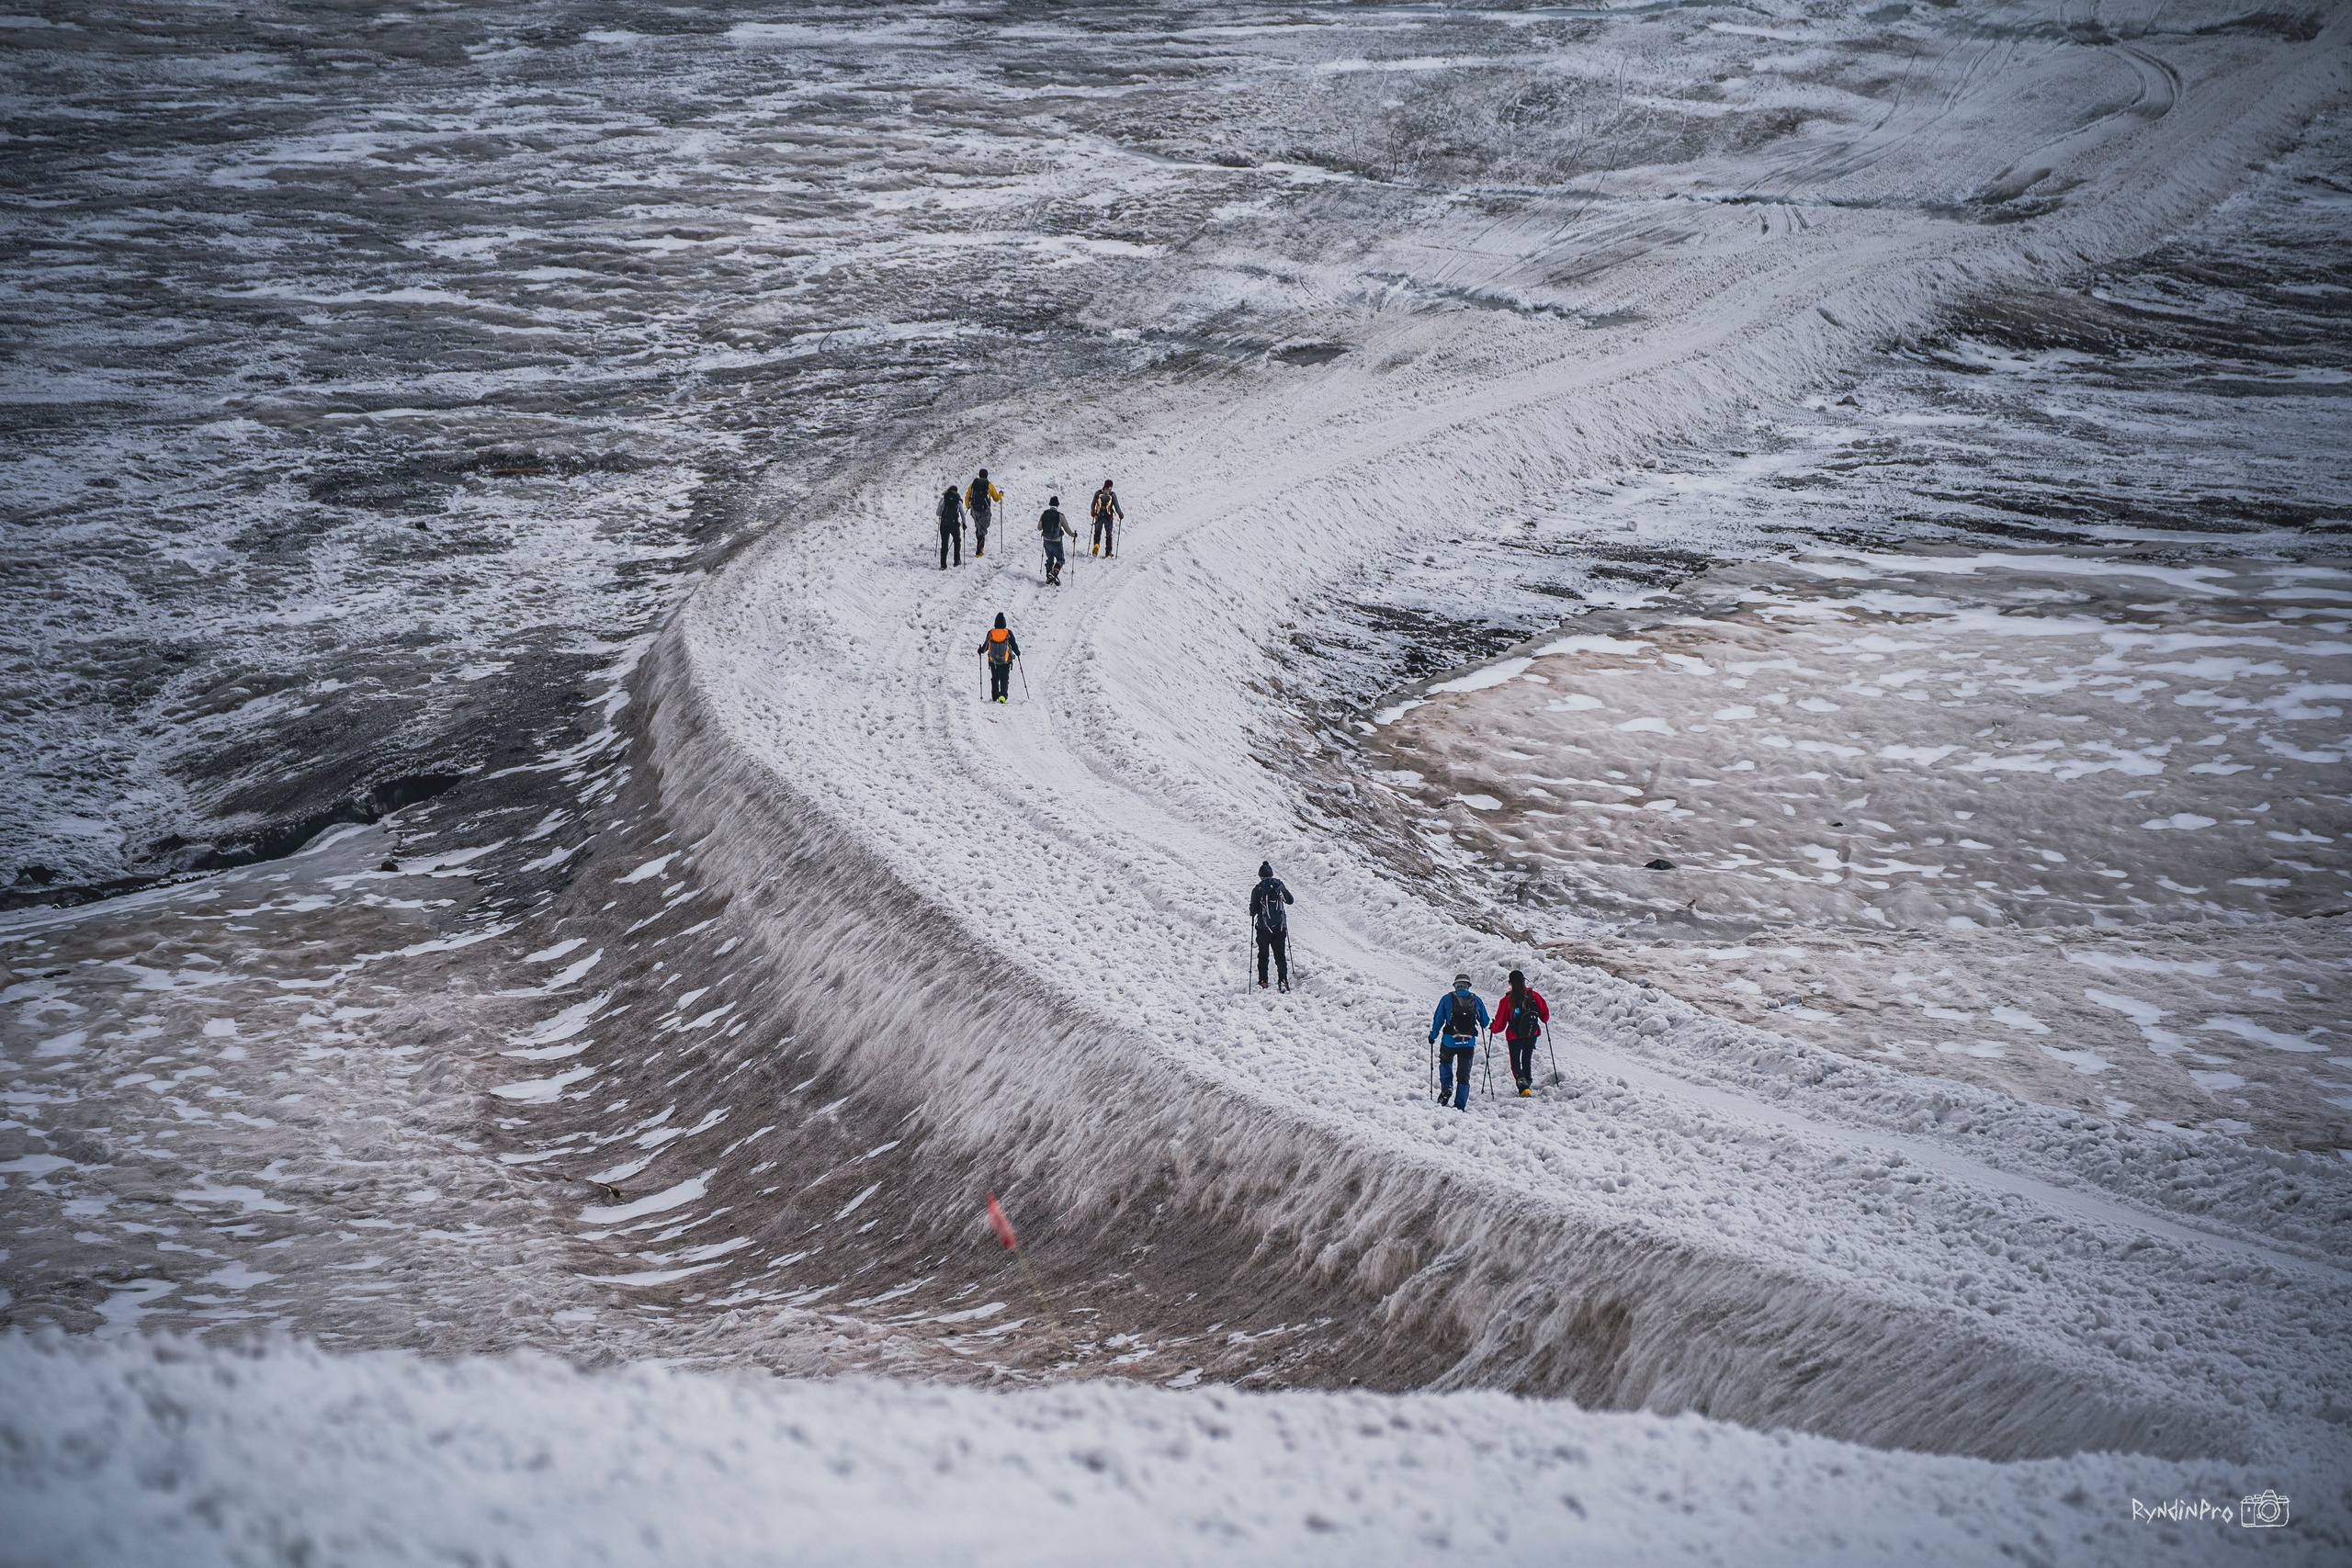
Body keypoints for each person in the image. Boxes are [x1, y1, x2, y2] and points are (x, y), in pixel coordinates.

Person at [1428, 975, 1487, 1111]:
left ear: (1455, 985)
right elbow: (1485, 1022)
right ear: (1468, 985)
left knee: (1445, 1062)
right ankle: (1460, 1106)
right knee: (1464, 1075)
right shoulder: (1476, 999)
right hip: (1468, 1043)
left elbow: (1438, 1020)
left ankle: (1447, 1086)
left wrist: (1433, 1036)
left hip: (1449, 1041)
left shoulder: (1447, 998)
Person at [1489, 969, 1550, 1097]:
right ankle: (1527, 1082)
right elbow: (1545, 1017)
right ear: (1524, 981)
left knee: (1516, 1064)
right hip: (1532, 1034)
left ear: (1510, 983)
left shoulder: (1506, 1000)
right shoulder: (1534, 996)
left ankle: (1523, 1086)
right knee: (1526, 1059)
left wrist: (1492, 1028)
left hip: (1514, 1036)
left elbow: (1500, 1025)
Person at [1249, 860, 1293, 991]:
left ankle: (1263, 981)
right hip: (1279, 927)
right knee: (1280, 954)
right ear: (1272, 874)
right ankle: (1283, 979)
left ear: (1260, 876)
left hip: (1263, 929)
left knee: (1263, 955)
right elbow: (1290, 900)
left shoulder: (1258, 889)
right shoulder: (1279, 885)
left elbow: (1253, 911)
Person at [977, 613, 1020, 703]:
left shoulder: (991, 633)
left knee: (995, 677)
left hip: (993, 661)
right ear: (1004, 623)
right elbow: (1014, 644)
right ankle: (1003, 696)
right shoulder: (1007, 632)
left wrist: (980, 650)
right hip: (1005, 660)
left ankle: (995, 695)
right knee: (1004, 678)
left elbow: (985, 647)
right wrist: (1017, 652)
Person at [967, 469, 1002, 558]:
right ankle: (979, 551)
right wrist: (1001, 494)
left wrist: (968, 506)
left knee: (978, 527)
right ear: (987, 476)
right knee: (982, 530)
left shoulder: (973, 484)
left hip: (974, 510)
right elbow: (996, 498)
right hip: (985, 511)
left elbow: (967, 495)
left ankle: (980, 542)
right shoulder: (989, 485)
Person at [1038, 495, 1070, 585]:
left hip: (1046, 540)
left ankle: (1049, 578)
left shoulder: (1044, 514)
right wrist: (1073, 535)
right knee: (1061, 559)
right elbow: (1067, 528)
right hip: (1057, 541)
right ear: (1057, 505)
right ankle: (1054, 572)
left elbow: (1039, 527)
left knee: (1050, 559)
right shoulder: (1060, 515)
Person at [1090, 479, 1124, 558]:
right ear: (1111, 487)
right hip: (1109, 517)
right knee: (1109, 535)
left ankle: (1096, 545)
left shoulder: (1098, 493)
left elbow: (1093, 504)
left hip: (1098, 516)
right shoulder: (1112, 495)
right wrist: (1120, 515)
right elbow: (1117, 507)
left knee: (1097, 532)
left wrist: (1093, 513)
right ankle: (1108, 552)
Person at [936, 485, 966, 570]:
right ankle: (957, 560)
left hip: (944, 524)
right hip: (954, 524)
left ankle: (943, 565)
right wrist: (964, 523)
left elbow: (938, 513)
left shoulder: (943, 500)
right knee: (957, 540)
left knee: (944, 544)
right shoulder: (958, 501)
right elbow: (962, 513)